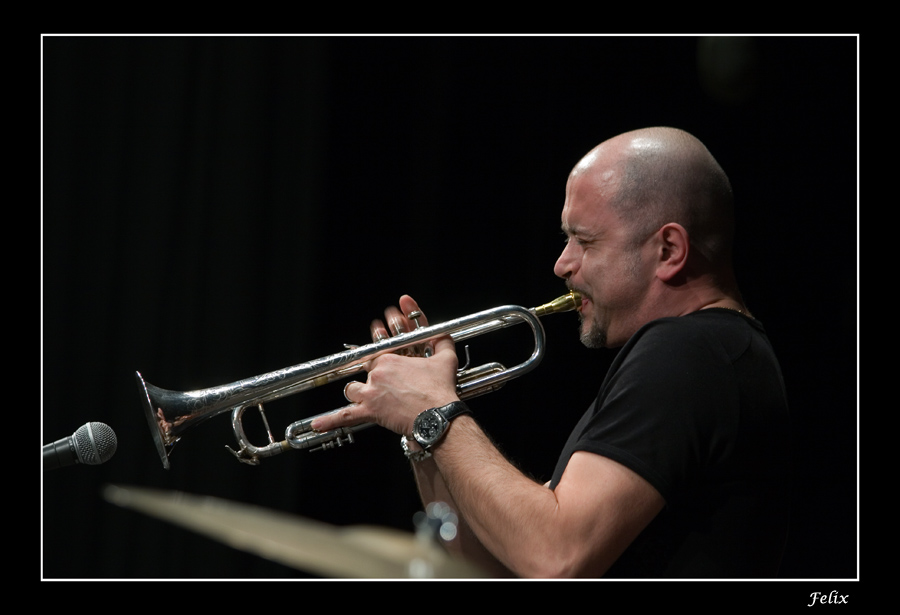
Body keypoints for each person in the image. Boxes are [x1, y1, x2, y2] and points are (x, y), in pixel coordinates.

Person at [311, 127, 791, 578]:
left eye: (585, 241)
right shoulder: (711, 355)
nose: (562, 264)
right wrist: (422, 433)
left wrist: (435, 409)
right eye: (567, 239)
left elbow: (554, 557)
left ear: (668, 249)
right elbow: (496, 562)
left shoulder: (686, 351)